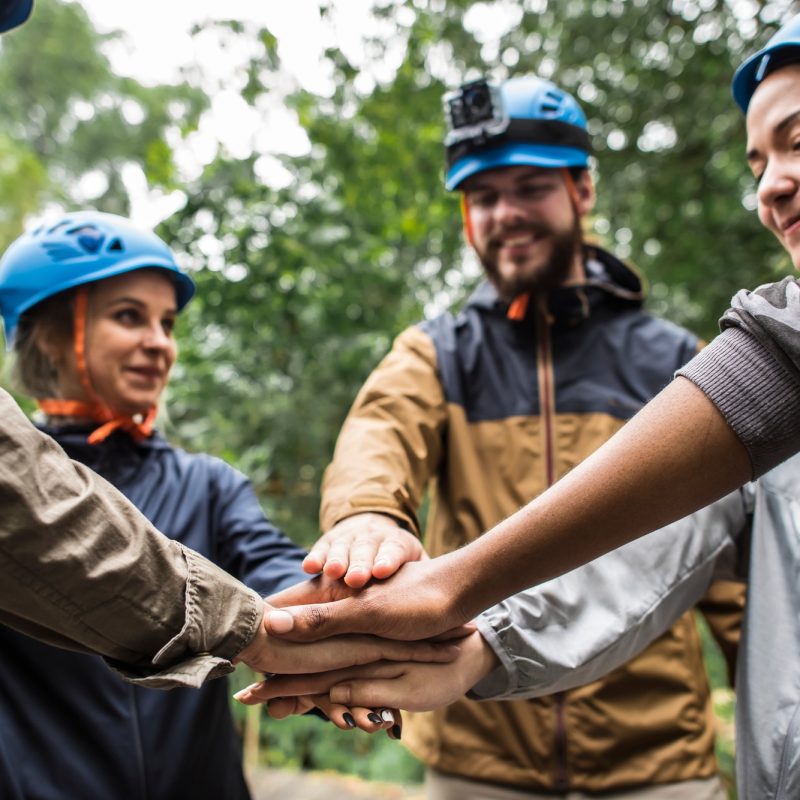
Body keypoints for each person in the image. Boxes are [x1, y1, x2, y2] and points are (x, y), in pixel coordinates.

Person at [237, 14, 800, 799]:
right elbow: (380, 430)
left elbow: (730, 560)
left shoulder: (680, 358)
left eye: (531, 186)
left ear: (582, 189)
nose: (506, 214)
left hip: (654, 762)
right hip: (476, 756)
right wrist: (369, 518)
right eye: (483, 195)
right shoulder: (436, 352)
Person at [0, 211, 460, 798]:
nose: (159, 343)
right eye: (127, 317)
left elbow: (275, 577)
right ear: (50, 336)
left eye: (166, 323)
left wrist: (354, 615)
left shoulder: (206, 483)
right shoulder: (11, 499)